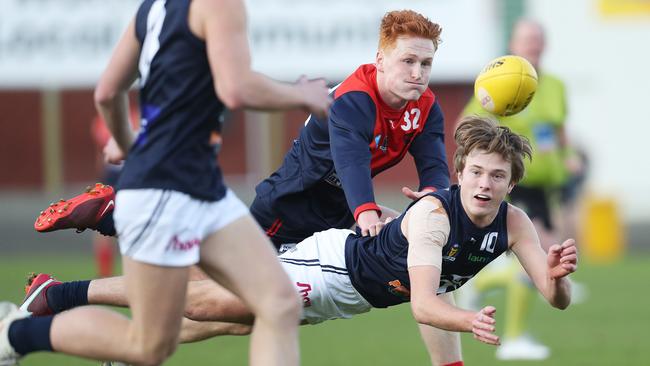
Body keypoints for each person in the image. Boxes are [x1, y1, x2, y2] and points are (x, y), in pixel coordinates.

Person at [20, 117, 579, 366]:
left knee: (230, 319)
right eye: (477, 172)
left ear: (511, 183)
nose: (486, 184)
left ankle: (67, 305)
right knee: (214, 297)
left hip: (345, 295)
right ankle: (66, 292)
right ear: (458, 173)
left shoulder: (515, 225)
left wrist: (556, 279)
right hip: (329, 266)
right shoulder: (435, 216)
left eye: (497, 176)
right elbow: (428, 304)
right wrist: (468, 325)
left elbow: (557, 301)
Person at [1, 0, 331, 365]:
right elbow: (236, 89)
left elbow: (107, 94)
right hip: (166, 189)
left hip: (202, 190)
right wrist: (302, 95)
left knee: (278, 301)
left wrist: (130, 146)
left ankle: (93, 240)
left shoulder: (153, 8)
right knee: (149, 345)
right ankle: (14, 333)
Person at [457, 18, 580, 360]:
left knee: (539, 255)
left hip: (545, 182)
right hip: (513, 185)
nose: (533, 45)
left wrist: (567, 156)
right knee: (537, 253)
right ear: (513, 43)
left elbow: (558, 129)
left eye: (538, 39)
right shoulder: (500, 77)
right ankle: (511, 338)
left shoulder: (553, 84)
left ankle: (472, 283)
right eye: (527, 39)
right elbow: (465, 126)